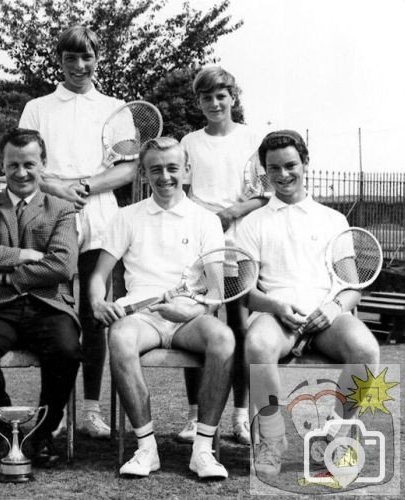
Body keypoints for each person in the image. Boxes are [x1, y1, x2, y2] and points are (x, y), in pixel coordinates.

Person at [235, 130, 380, 477]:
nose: (283, 175)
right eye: (274, 168)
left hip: (326, 317)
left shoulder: (333, 220)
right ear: (264, 172)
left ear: (305, 164)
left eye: (290, 165)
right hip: (277, 317)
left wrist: (333, 308)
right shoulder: (251, 223)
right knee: (257, 344)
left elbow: (351, 287)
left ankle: (336, 436)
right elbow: (245, 291)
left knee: (367, 350)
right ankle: (271, 440)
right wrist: (276, 307)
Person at [90, 137, 233, 479]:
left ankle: (203, 451)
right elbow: (99, 275)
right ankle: (146, 449)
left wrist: (192, 311)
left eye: (172, 168)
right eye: (156, 169)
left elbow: (215, 290)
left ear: (186, 170)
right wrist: (98, 301)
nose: (165, 176)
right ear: (143, 173)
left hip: (190, 317)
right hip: (142, 317)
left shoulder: (206, 220)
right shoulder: (125, 217)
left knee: (224, 340)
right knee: (120, 338)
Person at [18, 25, 136, 439]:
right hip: (49, 216)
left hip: (100, 217)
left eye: (87, 58)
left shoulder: (116, 108)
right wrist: (58, 188)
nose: (79, 66)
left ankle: (89, 409)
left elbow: (128, 167)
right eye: (71, 58)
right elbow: (27, 163)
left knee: (94, 314)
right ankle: (57, 409)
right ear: (61, 61)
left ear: (97, 60)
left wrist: (85, 187)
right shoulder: (37, 107)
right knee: (55, 315)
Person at [0, 128, 82, 466]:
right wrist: (23, 254)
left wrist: (7, 275)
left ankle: (41, 435)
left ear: (43, 164)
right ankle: (5, 431)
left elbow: (64, 264)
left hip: (48, 306)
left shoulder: (62, 208)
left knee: (67, 350)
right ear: (2, 164)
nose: (22, 173)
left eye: (30, 164)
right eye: (13, 165)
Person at [177, 66, 265, 445]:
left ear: (233, 97)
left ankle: (240, 417)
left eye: (220, 96)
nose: (214, 103)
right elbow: (180, 193)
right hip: (200, 246)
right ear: (198, 102)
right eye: (206, 97)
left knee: (241, 329)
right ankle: (196, 416)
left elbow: (263, 194)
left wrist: (230, 214)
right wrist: (203, 220)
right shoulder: (189, 142)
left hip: (240, 243)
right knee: (200, 322)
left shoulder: (251, 138)